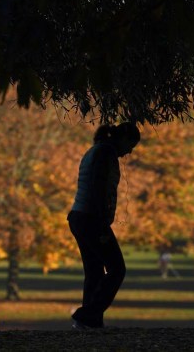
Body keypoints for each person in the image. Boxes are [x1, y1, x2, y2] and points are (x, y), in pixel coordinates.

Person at [67, 122, 140, 330]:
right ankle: (87, 315)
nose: (129, 152)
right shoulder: (105, 153)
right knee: (117, 269)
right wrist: (102, 227)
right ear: (123, 138)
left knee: (94, 271)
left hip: (79, 217)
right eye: (131, 145)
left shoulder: (96, 150)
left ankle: (91, 323)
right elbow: (98, 189)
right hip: (91, 219)